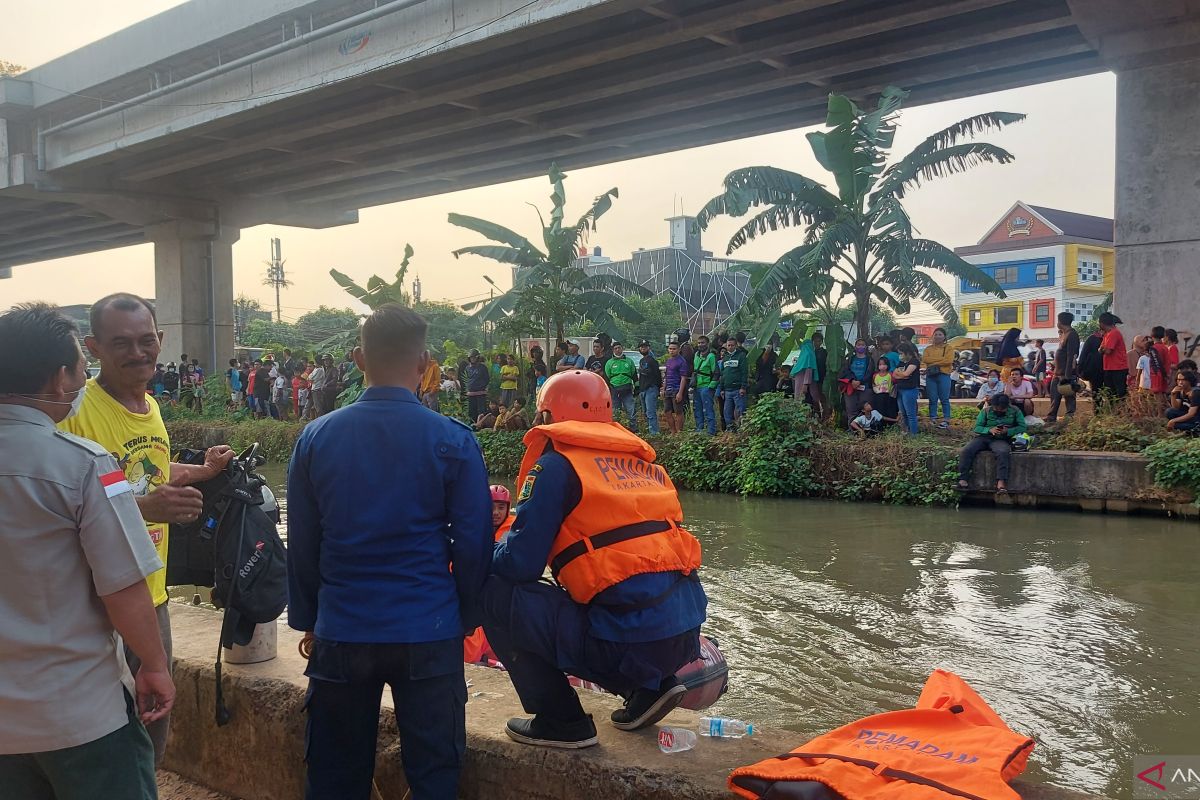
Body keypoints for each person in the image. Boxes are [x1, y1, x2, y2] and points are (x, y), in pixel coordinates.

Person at [289, 306, 490, 800]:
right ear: (423, 361)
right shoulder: (453, 440)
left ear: (359, 358)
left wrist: (312, 619)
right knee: (435, 775)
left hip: (343, 632)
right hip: (429, 628)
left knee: (335, 775)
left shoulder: (316, 437)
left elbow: (303, 542)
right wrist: (463, 616)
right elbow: (473, 545)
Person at [0, 304, 176, 800]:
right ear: (61, 379)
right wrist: (155, 666)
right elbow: (123, 587)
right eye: (82, 366)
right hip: (79, 715)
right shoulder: (85, 466)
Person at [480, 370, 707, 749]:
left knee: (492, 589)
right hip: (685, 639)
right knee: (615, 597)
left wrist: (478, 550)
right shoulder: (643, 464)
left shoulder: (555, 467)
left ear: (548, 416)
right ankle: (649, 689)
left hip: (629, 641)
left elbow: (520, 565)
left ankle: (561, 720)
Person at [59, 293, 234, 765]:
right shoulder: (76, 410)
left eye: (146, 340)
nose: (137, 352)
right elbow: (64, 502)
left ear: (161, 339)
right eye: (121, 343)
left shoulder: (151, 405)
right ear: (93, 347)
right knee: (106, 738)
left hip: (150, 591)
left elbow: (143, 469)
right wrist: (146, 506)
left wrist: (197, 471)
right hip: (97, 599)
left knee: (154, 725)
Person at [957, 392, 1026, 494]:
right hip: (984, 437)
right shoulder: (985, 411)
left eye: (1001, 409)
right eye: (996, 408)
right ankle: (963, 479)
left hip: (1001, 439)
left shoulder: (1015, 411)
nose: (998, 410)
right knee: (967, 450)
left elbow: (1022, 427)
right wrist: (989, 430)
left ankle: (1001, 482)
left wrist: (1008, 431)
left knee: (1002, 452)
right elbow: (977, 427)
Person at [1046, 312, 1080, 424]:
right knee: (1054, 397)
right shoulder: (1064, 334)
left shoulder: (1072, 335)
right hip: (1057, 373)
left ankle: (1068, 420)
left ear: (1060, 322)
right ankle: (1051, 418)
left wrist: (1068, 376)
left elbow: (1072, 356)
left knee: (1069, 398)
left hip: (1065, 374)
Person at [922, 327, 954, 428]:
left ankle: (946, 419)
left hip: (944, 375)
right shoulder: (928, 349)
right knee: (932, 398)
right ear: (933, 336)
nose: (937, 336)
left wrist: (933, 362)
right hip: (931, 376)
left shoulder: (948, 348)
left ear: (944, 337)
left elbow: (949, 361)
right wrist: (941, 360)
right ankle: (933, 418)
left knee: (944, 398)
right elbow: (925, 359)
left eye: (940, 334)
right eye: (936, 334)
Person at [604, 342, 638, 432]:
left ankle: (633, 429)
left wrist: (637, 387)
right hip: (614, 389)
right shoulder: (609, 362)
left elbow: (634, 375)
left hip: (627, 388)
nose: (617, 350)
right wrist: (608, 390)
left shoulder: (629, 361)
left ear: (622, 348)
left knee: (631, 409)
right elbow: (606, 377)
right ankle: (616, 430)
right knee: (615, 411)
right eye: (615, 348)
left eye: (619, 348)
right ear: (613, 350)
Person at [719, 335, 749, 432]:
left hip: (738, 389)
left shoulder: (741, 356)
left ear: (736, 346)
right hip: (727, 390)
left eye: (732, 345)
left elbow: (744, 372)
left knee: (740, 411)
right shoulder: (725, 357)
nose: (730, 347)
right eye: (728, 345)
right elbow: (723, 374)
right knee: (727, 412)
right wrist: (722, 388)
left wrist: (743, 387)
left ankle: (741, 430)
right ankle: (730, 430)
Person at [1098, 312, 1129, 403]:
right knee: (1110, 393)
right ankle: (1115, 412)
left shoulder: (1114, 333)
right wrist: (1102, 349)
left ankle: (1120, 412)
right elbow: (1100, 349)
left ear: (1102, 323)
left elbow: (1107, 351)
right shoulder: (1107, 334)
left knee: (1118, 393)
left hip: (1118, 368)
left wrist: (1102, 349)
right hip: (1110, 367)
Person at [892, 342, 921, 435]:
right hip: (900, 389)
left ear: (907, 353)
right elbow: (894, 374)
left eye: (901, 353)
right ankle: (907, 431)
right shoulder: (901, 362)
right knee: (903, 413)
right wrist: (902, 376)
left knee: (911, 414)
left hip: (910, 390)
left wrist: (901, 375)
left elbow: (906, 374)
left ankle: (913, 434)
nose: (900, 355)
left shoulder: (914, 362)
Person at [790, 337, 823, 419]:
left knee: (802, 400)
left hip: (804, 383)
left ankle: (806, 417)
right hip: (802, 382)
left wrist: (805, 384)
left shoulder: (808, 354)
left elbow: (809, 370)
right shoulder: (806, 354)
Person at [693, 335, 719, 435]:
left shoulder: (711, 356)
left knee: (708, 409)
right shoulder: (696, 355)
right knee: (697, 409)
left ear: (707, 344)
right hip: (697, 386)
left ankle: (711, 431)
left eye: (702, 343)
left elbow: (716, 372)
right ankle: (699, 429)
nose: (700, 345)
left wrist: (711, 386)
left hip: (706, 386)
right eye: (699, 343)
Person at [636, 340, 662, 436]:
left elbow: (657, 375)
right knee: (646, 412)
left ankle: (654, 433)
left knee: (651, 412)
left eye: (645, 347)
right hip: (643, 389)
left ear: (648, 348)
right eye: (641, 347)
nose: (643, 348)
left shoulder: (652, 360)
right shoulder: (642, 360)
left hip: (651, 388)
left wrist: (658, 388)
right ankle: (649, 430)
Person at [663, 341, 689, 434]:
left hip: (677, 389)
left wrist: (680, 393)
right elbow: (666, 376)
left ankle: (679, 432)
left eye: (674, 349)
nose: (672, 351)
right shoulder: (669, 361)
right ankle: (673, 431)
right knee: (667, 411)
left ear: (678, 350)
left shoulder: (682, 361)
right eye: (670, 349)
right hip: (668, 390)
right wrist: (663, 388)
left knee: (678, 411)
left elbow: (683, 378)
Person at [465, 350, 491, 422]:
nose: (472, 359)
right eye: (471, 357)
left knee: (481, 411)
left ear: (478, 358)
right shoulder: (468, 368)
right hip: (471, 393)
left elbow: (487, 379)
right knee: (472, 411)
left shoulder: (483, 367)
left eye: (474, 357)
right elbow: (468, 378)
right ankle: (473, 425)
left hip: (480, 392)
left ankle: (481, 425)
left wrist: (481, 386)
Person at [870, 356, 898, 421]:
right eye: (880, 364)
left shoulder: (890, 374)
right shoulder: (875, 375)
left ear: (887, 365)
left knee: (888, 410)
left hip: (888, 396)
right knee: (879, 411)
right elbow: (873, 384)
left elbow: (894, 384)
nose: (882, 366)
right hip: (878, 396)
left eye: (884, 364)